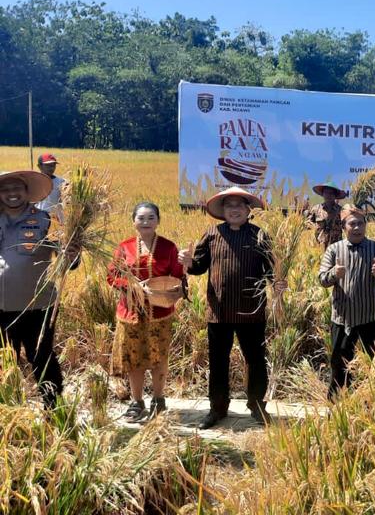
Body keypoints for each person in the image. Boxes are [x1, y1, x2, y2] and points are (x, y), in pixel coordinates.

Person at [178, 187, 286, 429]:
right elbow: (198, 267)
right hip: (219, 312)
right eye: (229, 206)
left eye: (239, 205)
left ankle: (257, 407)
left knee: (256, 360)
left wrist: (278, 282)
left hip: (252, 311)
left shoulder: (260, 236)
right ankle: (217, 408)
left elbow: (271, 271)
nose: (234, 210)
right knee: (218, 361)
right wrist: (188, 263)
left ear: (248, 210)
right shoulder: (212, 234)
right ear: (223, 211)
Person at [0, 170, 78, 409]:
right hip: (1, 309)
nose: (12, 194)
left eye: (17, 189)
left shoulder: (47, 220)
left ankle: (54, 410)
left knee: (42, 359)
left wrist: (72, 254)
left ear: (27, 192)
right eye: (5, 189)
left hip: (38, 306)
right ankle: (8, 413)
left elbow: (68, 262)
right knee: (4, 363)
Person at [107, 202, 186, 422]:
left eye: (151, 217)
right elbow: (112, 276)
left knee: (158, 356)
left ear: (158, 221)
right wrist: (132, 286)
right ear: (133, 221)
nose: (146, 222)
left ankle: (159, 400)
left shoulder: (169, 247)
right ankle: (137, 401)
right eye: (141, 218)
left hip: (159, 312)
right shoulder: (124, 247)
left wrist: (178, 290)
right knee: (134, 358)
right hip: (130, 312)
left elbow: (179, 275)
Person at [317, 206, 375, 398]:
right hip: (343, 318)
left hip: (371, 317)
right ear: (344, 226)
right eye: (352, 223)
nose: (357, 227)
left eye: (361, 223)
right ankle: (336, 406)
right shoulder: (334, 250)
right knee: (339, 365)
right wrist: (333, 274)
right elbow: (321, 279)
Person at [305, 181, 349, 250]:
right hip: (319, 247)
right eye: (326, 193)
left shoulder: (341, 211)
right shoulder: (316, 209)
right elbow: (307, 223)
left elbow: (347, 226)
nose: (328, 195)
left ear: (335, 196)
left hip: (336, 247)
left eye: (331, 193)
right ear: (323, 194)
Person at [34, 153, 65, 220]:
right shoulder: (33, 182)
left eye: (53, 165)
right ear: (39, 166)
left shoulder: (61, 182)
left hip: (56, 219)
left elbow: (66, 200)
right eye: (48, 165)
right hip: (39, 218)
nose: (51, 168)